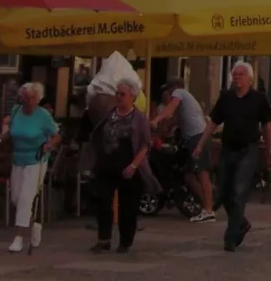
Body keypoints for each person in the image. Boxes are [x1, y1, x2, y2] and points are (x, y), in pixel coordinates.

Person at [210, 60, 271, 253]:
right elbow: (213, 122)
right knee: (223, 193)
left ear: (249, 78)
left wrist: (269, 150)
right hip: (227, 148)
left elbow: (266, 126)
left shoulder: (259, 99)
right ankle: (242, 223)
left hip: (248, 148)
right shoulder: (226, 98)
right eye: (234, 75)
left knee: (239, 192)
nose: (237, 78)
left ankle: (230, 237)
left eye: (240, 75)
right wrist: (200, 144)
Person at [89, 76, 151, 253]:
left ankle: (125, 241)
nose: (118, 97)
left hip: (128, 164)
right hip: (107, 163)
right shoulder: (110, 113)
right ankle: (104, 239)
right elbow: (98, 133)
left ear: (132, 96)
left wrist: (133, 166)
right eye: (117, 93)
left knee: (128, 205)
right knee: (102, 201)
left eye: (122, 94)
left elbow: (145, 145)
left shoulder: (139, 118)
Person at [1, 82, 59, 253]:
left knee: (26, 197)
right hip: (18, 158)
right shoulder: (16, 111)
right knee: (16, 198)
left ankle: (18, 238)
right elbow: (10, 132)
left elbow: (56, 136)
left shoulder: (43, 115)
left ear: (38, 99)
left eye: (33, 97)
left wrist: (49, 144)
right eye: (26, 97)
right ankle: (34, 225)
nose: (29, 100)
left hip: (36, 159)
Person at [154, 80, 215, 223]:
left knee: (202, 173)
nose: (168, 94)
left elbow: (169, 110)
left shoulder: (179, 93)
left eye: (168, 91)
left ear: (174, 88)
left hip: (198, 137)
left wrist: (156, 119)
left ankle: (208, 211)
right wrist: (161, 129)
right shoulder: (185, 102)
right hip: (192, 139)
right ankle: (205, 205)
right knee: (188, 175)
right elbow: (173, 121)